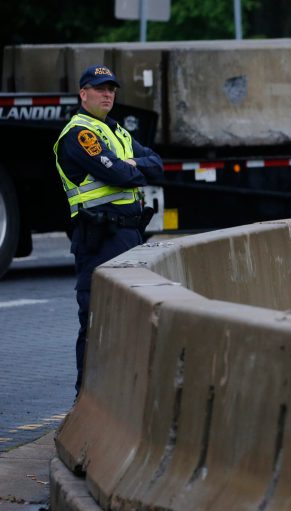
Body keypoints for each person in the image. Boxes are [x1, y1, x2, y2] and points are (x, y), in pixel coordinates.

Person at [53, 65, 163, 395]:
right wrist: (130, 167)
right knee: (97, 320)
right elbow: (121, 175)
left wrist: (131, 164)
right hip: (99, 239)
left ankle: (124, 393)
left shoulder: (117, 131)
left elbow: (157, 165)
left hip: (129, 236)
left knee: (133, 320)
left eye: (112, 89)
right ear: (83, 94)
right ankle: (85, 398)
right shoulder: (79, 133)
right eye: (100, 89)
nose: (107, 94)